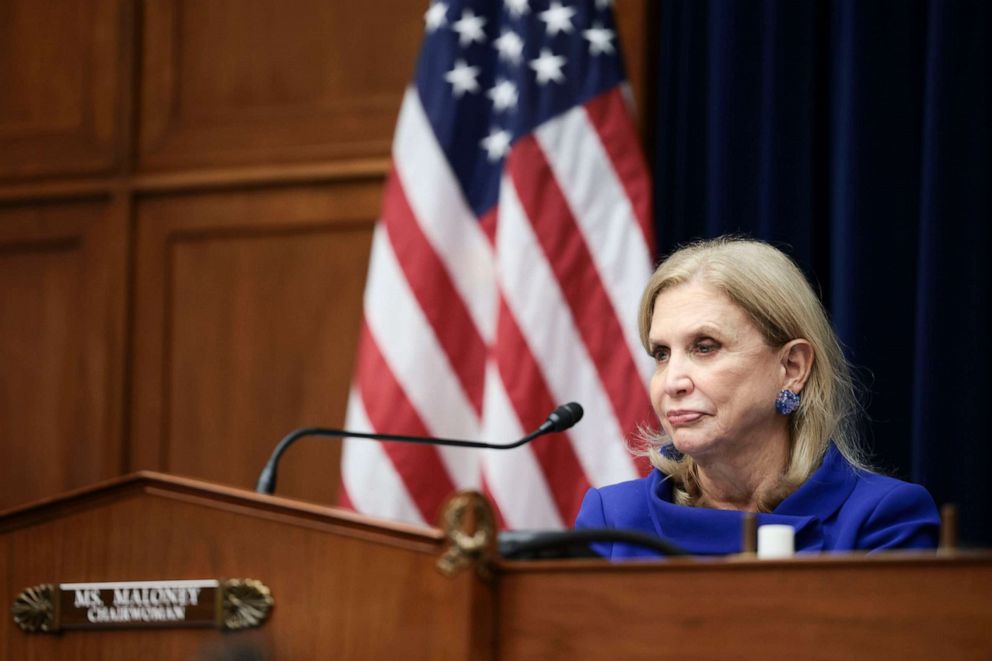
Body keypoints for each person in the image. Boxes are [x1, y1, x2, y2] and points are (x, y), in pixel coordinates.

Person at [575, 237, 940, 558]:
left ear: (792, 367)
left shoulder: (881, 520)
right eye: (661, 354)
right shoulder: (612, 519)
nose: (672, 382)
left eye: (705, 347)